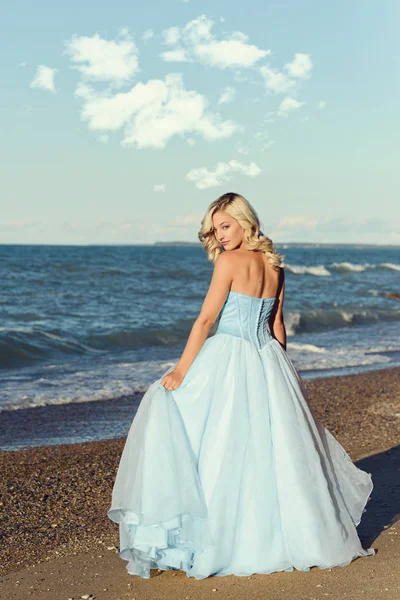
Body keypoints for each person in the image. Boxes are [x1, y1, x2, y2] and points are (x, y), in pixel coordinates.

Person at [107, 192, 375, 580]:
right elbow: (277, 327)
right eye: (215, 229)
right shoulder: (274, 265)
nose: (220, 236)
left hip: (231, 356)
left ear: (246, 222)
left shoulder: (230, 262)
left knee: (215, 439)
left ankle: (218, 539)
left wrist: (181, 371)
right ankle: (295, 535)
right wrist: (282, 372)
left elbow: (205, 321)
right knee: (276, 450)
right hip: (269, 357)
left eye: (226, 226)